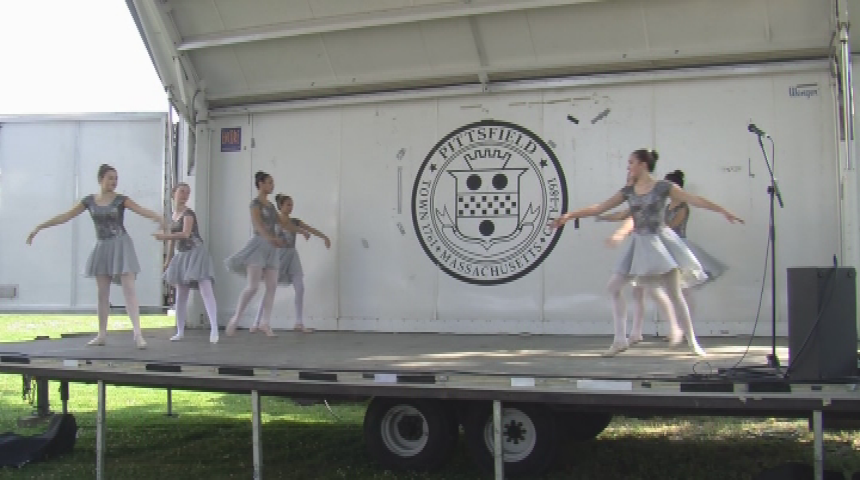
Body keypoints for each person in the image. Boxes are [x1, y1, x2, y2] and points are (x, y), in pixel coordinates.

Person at [552, 149, 743, 357]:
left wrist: (723, 210)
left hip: (660, 243)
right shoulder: (629, 191)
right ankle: (619, 340)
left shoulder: (663, 187)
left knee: (674, 293)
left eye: (631, 162)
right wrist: (569, 215)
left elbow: (695, 199)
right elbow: (601, 207)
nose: (628, 167)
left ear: (643, 164)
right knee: (614, 287)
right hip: (639, 243)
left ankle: (692, 341)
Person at [26, 164, 165, 349]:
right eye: (110, 178)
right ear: (101, 180)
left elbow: (141, 210)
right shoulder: (89, 201)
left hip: (121, 245)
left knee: (129, 289)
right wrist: (40, 227)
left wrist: (158, 217)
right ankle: (101, 334)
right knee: (102, 293)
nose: (113, 182)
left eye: (116, 179)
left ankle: (138, 334)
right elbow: (66, 216)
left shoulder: (121, 200)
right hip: (102, 246)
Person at [599, 169, 728, 341]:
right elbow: (627, 215)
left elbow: (670, 226)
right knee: (649, 290)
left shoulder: (682, 207)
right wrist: (606, 218)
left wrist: (647, 225)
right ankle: (653, 330)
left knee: (681, 291)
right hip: (659, 246)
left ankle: (682, 329)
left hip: (675, 246)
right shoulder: (664, 206)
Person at [224, 172, 303, 337]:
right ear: (260, 184)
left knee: (272, 286)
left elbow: (282, 223)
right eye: (269, 182)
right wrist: (270, 238)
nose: (272, 185)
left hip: (272, 249)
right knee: (253, 286)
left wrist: (301, 231)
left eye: (273, 182)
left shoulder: (271, 206)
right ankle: (236, 317)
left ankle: (265, 322)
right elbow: (258, 224)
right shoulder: (255, 204)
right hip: (259, 246)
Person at [249, 194, 331, 334]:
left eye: (292, 204)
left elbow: (310, 229)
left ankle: (299, 322)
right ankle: (257, 322)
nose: (291, 207)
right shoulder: (275, 220)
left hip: (292, 256)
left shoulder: (295, 221)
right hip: (279, 256)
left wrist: (324, 237)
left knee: (300, 287)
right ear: (280, 206)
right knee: (270, 289)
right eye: (288, 204)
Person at [154, 183, 220, 344]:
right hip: (182, 256)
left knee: (206, 289)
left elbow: (185, 234)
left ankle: (214, 329)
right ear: (173, 194)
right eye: (182, 192)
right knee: (181, 294)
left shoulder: (188, 214)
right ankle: (180, 331)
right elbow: (173, 240)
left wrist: (164, 237)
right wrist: (168, 259)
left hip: (196, 253)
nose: (184, 195)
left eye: (187, 193)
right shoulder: (172, 216)